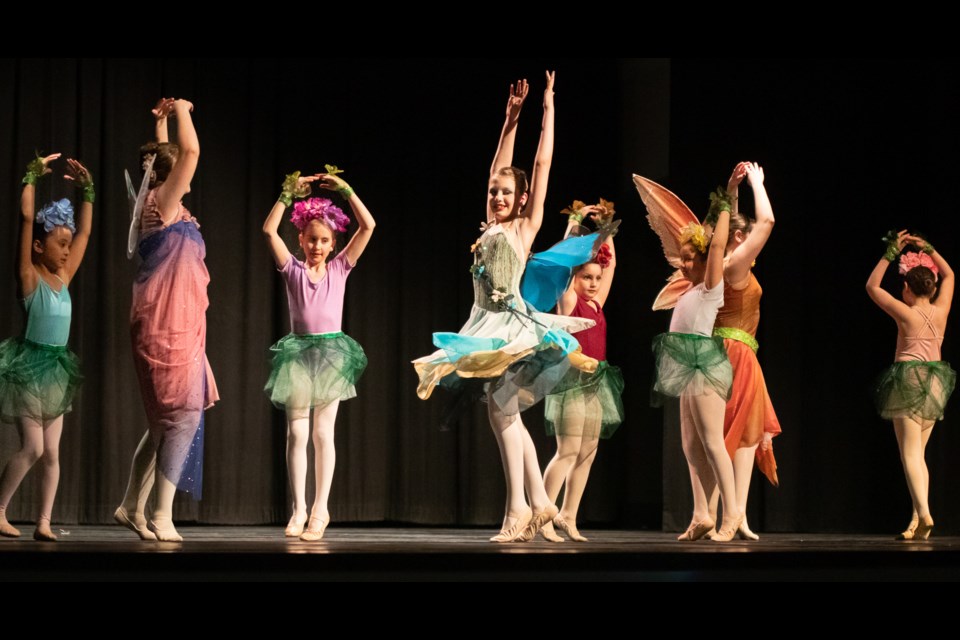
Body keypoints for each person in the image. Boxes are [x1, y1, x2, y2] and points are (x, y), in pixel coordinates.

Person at [414, 72, 597, 542]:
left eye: (506, 193)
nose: (497, 196)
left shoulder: (521, 229)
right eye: (494, 192)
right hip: (484, 324)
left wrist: (548, 107)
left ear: (521, 201)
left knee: (502, 412)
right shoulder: (489, 225)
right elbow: (499, 165)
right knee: (503, 412)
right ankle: (536, 502)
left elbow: (541, 163)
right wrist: (509, 118)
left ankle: (519, 509)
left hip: (512, 324)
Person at [115, 98, 219, 542]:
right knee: (181, 418)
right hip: (167, 326)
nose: (188, 179)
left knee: (164, 421)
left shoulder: (151, 200)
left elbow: (168, 159)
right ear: (172, 177)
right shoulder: (164, 201)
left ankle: (129, 506)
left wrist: (158, 127)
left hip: (167, 321)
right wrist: (181, 111)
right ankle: (161, 514)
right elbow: (189, 154)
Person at [262, 168, 374, 541]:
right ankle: (298, 509)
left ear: (332, 242)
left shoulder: (340, 268)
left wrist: (347, 190)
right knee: (297, 433)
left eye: (324, 240)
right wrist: (286, 194)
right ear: (301, 239)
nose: (317, 246)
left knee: (323, 434)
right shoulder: (291, 269)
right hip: (297, 354)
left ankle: (320, 509)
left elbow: (368, 226)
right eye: (311, 239)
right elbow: (267, 231)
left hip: (331, 354)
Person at [0, 153, 94, 541]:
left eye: (68, 245)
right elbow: (26, 218)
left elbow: (85, 234)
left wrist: (87, 191)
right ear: (39, 247)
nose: (67, 251)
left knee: (53, 453)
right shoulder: (29, 277)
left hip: (56, 371)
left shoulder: (64, 278)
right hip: (28, 369)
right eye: (60, 244)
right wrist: (31, 177)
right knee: (34, 448)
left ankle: (43, 522)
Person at [538, 203, 624, 542]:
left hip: (596, 382)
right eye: (585, 277)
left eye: (596, 278)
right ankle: (543, 515)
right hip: (571, 380)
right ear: (574, 278)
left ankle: (568, 516)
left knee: (589, 451)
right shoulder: (569, 300)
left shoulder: (596, 303)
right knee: (568, 450)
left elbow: (611, 262)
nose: (592, 283)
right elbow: (563, 263)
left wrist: (606, 227)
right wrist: (574, 223)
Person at [867, 230, 954, 540]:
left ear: (906, 288)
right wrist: (927, 247)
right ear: (930, 287)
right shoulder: (941, 309)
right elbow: (950, 273)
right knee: (920, 455)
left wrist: (891, 251)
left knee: (909, 455)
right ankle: (917, 521)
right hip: (935, 383)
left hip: (908, 380)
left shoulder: (905, 313)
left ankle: (926, 514)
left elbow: (872, 286)